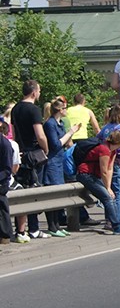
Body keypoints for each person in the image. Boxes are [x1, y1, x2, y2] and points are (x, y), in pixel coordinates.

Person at [76, 130, 120, 236]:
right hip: (86, 174)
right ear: (119, 142)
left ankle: (116, 223)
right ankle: (117, 226)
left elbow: (110, 168)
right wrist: (107, 188)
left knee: (109, 197)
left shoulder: (112, 150)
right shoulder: (104, 149)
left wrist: (108, 186)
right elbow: (104, 170)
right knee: (107, 197)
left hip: (93, 175)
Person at [11, 80, 49, 239]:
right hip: (34, 153)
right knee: (34, 190)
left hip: (20, 153)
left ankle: (22, 228)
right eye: (39, 91)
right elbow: (39, 134)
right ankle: (34, 228)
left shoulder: (15, 108)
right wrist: (45, 149)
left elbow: (13, 131)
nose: (39, 94)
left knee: (22, 191)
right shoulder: (34, 109)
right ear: (34, 92)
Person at [42, 99, 81, 237]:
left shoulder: (60, 123)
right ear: (59, 110)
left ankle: (57, 224)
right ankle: (52, 226)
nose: (66, 110)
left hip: (59, 161)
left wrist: (69, 133)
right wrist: (70, 132)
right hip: (52, 163)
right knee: (52, 194)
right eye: (65, 108)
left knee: (58, 195)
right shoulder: (50, 124)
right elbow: (56, 144)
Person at [97, 104, 120, 227]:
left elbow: (98, 140)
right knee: (117, 193)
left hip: (104, 161)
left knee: (108, 192)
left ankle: (108, 219)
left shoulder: (106, 127)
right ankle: (117, 220)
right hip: (115, 163)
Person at [0, 121, 14, 244]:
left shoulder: (5, 145)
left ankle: (5, 235)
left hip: (1, 182)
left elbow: (7, 169)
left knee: (2, 208)